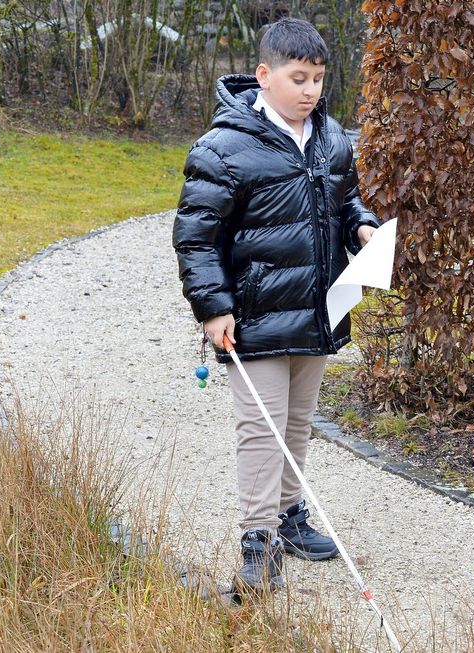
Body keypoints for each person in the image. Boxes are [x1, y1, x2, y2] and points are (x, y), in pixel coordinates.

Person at [172, 17, 378, 596]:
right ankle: (257, 541)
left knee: (296, 424)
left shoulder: (333, 138)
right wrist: (213, 307)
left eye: (318, 79)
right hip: (253, 316)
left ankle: (290, 518)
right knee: (261, 431)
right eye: (298, 78)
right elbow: (196, 236)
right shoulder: (223, 149)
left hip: (316, 310)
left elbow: (347, 200)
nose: (310, 91)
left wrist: (361, 228)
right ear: (264, 76)